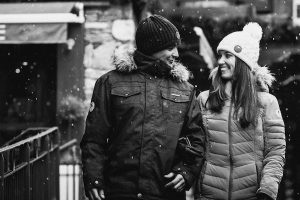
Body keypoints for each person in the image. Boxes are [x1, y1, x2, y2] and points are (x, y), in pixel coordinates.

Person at [80, 15, 205, 200]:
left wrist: (186, 171)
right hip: (118, 192)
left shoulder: (185, 90)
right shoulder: (109, 83)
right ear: (153, 46)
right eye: (171, 47)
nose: (177, 54)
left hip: (165, 192)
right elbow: (94, 139)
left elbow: (196, 139)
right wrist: (93, 177)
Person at [195, 23, 286, 200]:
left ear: (244, 62)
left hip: (252, 195)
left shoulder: (267, 103)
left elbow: (275, 152)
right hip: (209, 195)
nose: (220, 61)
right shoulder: (204, 99)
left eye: (228, 55)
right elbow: (195, 148)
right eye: (220, 55)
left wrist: (267, 191)